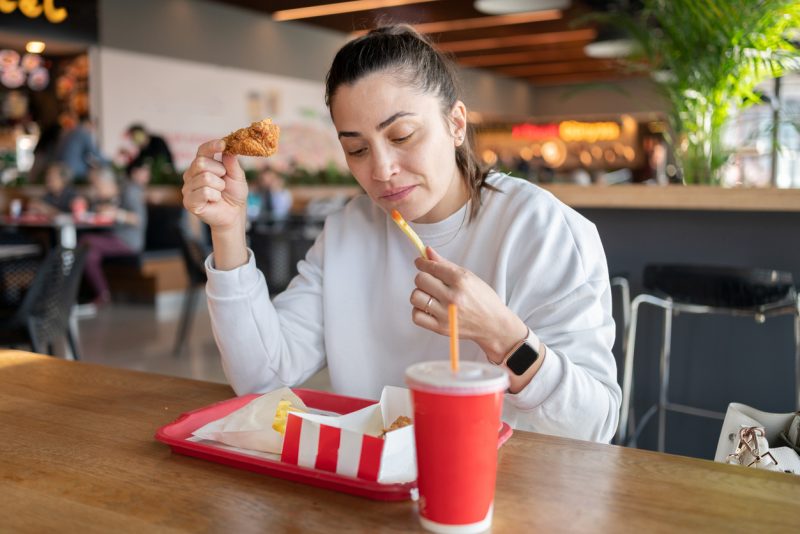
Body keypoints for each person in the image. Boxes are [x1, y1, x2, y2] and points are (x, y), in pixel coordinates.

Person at [182, 25, 620, 442]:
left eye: (403, 135)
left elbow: (592, 426)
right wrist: (228, 230)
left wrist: (505, 338)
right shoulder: (348, 230)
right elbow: (262, 376)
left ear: (456, 124)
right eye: (356, 149)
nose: (382, 170)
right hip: (371, 489)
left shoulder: (540, 229)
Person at [79, 165, 148, 306]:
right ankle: (102, 294)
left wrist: (116, 214)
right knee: (90, 253)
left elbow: (139, 219)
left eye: (97, 187)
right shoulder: (106, 198)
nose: (96, 191)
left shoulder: (129, 192)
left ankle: (92, 292)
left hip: (129, 240)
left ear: (108, 183)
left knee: (86, 241)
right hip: (112, 238)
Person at [53, 114, 108, 179]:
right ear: (89, 123)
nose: (92, 130)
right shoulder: (84, 133)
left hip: (59, 166)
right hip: (73, 168)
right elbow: (94, 152)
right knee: (96, 173)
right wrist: (107, 162)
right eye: (93, 126)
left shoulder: (72, 130)